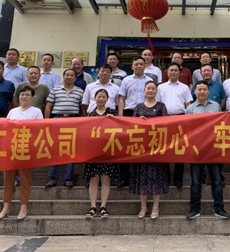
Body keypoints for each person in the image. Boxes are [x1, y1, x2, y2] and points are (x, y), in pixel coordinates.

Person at [185, 81, 230, 219]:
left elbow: (221, 124)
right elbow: (187, 129)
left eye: (204, 89)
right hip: (197, 150)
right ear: (195, 92)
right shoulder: (190, 109)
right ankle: (194, 208)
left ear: (208, 91)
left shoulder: (216, 106)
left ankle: (219, 208)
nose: (202, 92)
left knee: (216, 180)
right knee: (196, 181)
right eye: (199, 89)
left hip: (213, 149)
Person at [0, 86, 43, 220]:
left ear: (32, 97)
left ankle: (23, 206)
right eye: (22, 94)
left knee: (25, 179)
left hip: (27, 149)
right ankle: (5, 207)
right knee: (8, 179)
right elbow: (6, 128)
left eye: (27, 94)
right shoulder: (12, 111)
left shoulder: (36, 111)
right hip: (11, 149)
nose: (24, 97)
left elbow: (40, 129)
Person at [130, 81, 169, 220]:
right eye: (148, 88)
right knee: (142, 177)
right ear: (144, 90)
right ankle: (143, 207)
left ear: (156, 91)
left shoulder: (161, 106)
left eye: (153, 88)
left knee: (157, 177)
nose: (151, 90)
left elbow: (166, 124)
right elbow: (131, 125)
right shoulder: (138, 107)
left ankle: (156, 207)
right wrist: (140, 121)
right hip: (142, 147)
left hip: (157, 147)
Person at [45, 69, 84, 188]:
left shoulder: (80, 91)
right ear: (63, 76)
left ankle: (68, 180)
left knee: (70, 151)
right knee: (55, 150)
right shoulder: (55, 90)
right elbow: (48, 107)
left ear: (75, 78)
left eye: (72, 75)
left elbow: (83, 109)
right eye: (67, 75)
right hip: (57, 121)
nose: (69, 77)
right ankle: (52, 179)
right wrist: (46, 122)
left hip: (73, 122)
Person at [117, 57, 152, 187]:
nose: (138, 66)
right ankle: (125, 177)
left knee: (144, 145)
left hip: (145, 114)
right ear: (132, 67)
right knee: (126, 145)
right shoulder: (126, 80)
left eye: (141, 64)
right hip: (128, 114)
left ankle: (142, 176)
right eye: (136, 64)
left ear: (145, 66)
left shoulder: (150, 81)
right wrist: (121, 116)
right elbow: (121, 99)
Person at [84, 89, 119, 219]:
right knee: (93, 179)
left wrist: (113, 120)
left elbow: (120, 129)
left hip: (108, 150)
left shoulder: (113, 113)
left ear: (107, 99)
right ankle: (93, 206)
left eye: (104, 97)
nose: (101, 99)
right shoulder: (90, 115)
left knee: (105, 178)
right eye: (99, 97)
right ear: (94, 98)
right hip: (94, 151)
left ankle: (103, 206)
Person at [156, 62, 193, 187]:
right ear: (167, 72)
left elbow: (188, 104)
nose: (173, 72)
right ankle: (165, 178)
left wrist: (188, 120)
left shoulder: (185, 87)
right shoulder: (161, 87)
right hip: (164, 120)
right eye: (171, 70)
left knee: (179, 149)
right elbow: (158, 104)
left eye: (175, 70)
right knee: (165, 149)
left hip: (180, 119)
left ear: (179, 73)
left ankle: (178, 179)